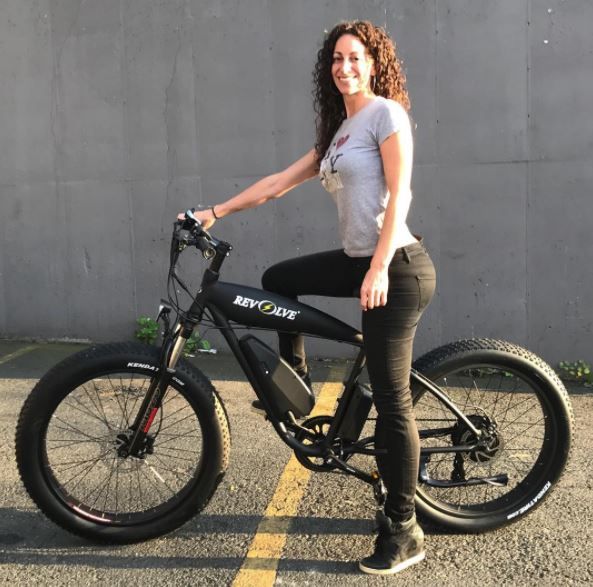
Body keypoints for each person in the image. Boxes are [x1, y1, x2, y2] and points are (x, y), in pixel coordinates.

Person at [182, 20, 436, 576]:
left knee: (393, 402)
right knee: (278, 279)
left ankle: (404, 529)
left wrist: (377, 268)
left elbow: (401, 192)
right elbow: (276, 183)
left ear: (374, 63)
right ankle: (294, 381)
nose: (345, 67)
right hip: (359, 263)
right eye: (337, 60)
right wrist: (213, 212)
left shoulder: (386, 115)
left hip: (397, 267)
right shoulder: (339, 134)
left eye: (355, 58)